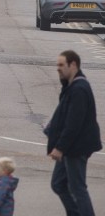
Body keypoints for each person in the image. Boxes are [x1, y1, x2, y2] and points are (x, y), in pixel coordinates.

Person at [44, 50, 101, 215]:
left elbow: (73, 123)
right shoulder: (70, 86)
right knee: (58, 184)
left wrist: (60, 148)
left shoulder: (79, 89)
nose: (58, 68)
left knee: (78, 188)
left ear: (73, 65)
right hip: (70, 145)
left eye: (62, 65)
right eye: (57, 65)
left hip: (77, 146)